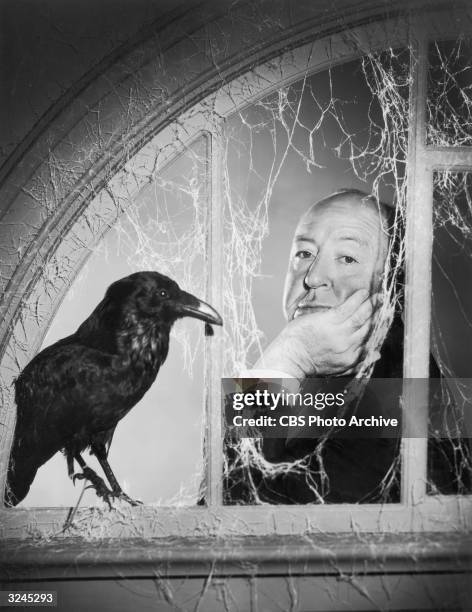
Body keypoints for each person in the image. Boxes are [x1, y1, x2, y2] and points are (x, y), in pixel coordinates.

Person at [224, 188, 405, 504]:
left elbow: (241, 513)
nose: (312, 277)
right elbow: (213, 500)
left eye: (347, 258)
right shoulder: (322, 385)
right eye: (304, 253)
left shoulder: (403, 386)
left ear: (392, 286)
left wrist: (289, 357)